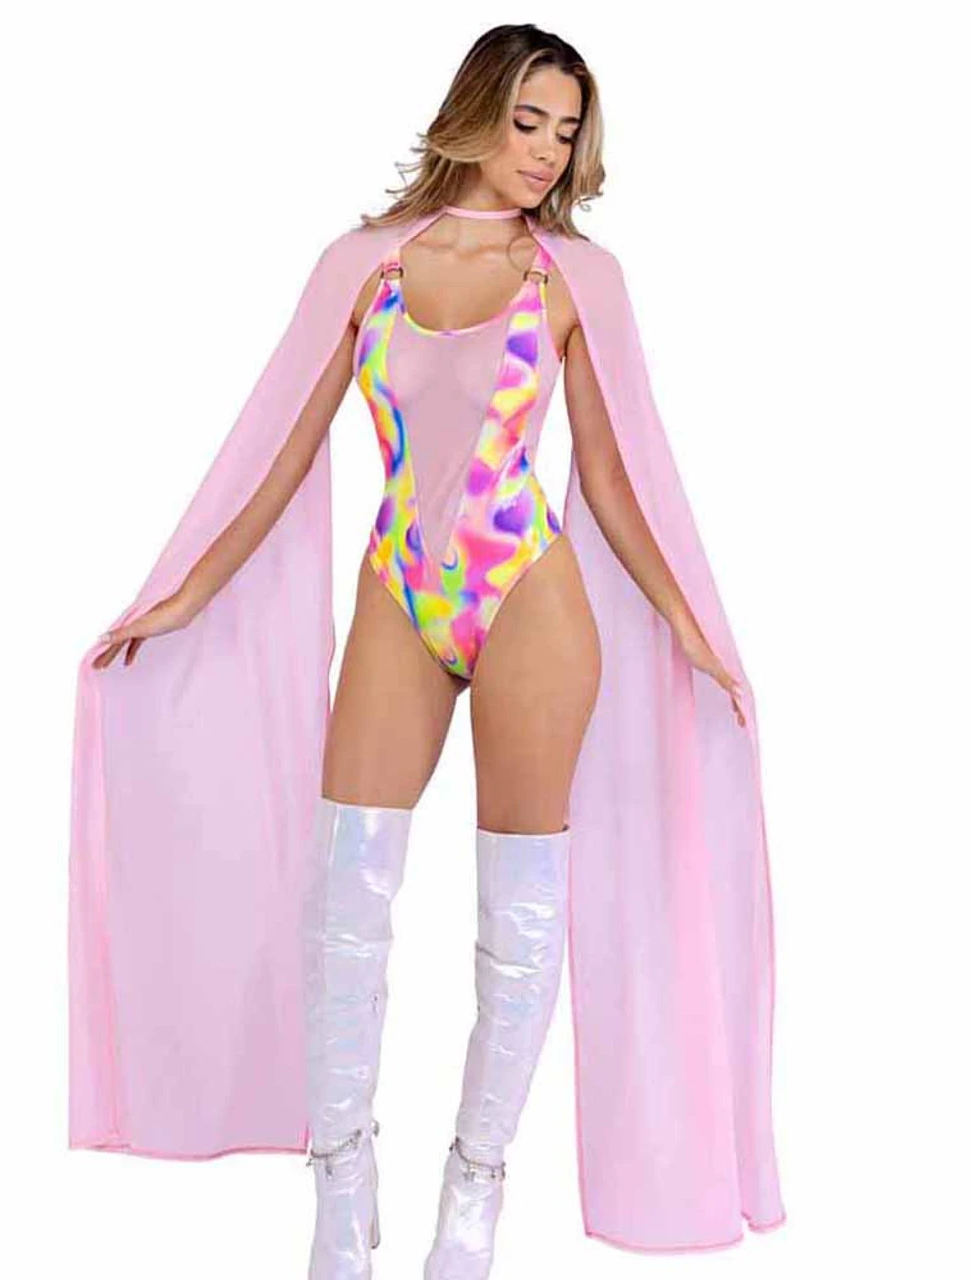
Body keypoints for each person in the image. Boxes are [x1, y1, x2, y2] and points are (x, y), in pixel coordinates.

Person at [70, 22, 785, 1278]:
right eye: (528, 121)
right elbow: (282, 446)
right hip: (401, 593)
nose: (546, 150)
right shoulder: (363, 266)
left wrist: (687, 620)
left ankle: (474, 1195)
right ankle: (341, 1184)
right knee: (345, 889)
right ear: (475, 111)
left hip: (528, 590)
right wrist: (182, 595)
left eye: (566, 131)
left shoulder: (576, 277)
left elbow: (612, 474)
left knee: (519, 904)